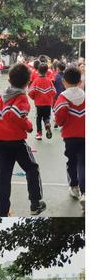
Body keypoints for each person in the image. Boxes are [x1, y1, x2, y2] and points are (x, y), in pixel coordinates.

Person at [0, 62, 46, 217]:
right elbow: (16, 115)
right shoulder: (22, 98)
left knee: (2, 175)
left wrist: (1, 123)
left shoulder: (1, 97)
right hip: (16, 142)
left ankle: (2, 210)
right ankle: (35, 203)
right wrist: (28, 126)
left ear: (9, 80)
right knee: (32, 168)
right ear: (28, 82)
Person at [53, 65, 85, 212]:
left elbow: (59, 117)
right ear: (80, 82)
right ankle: (85, 193)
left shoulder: (63, 97)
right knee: (83, 163)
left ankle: (74, 187)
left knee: (71, 161)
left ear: (64, 81)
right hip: (85, 135)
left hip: (70, 136)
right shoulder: (85, 95)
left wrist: (60, 122)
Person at [28, 63, 56, 140]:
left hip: (39, 104)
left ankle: (39, 134)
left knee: (38, 118)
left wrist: (34, 98)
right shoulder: (49, 81)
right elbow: (54, 91)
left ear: (38, 71)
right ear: (47, 71)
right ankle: (47, 123)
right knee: (46, 117)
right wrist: (50, 97)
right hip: (48, 104)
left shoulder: (36, 81)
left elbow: (30, 92)